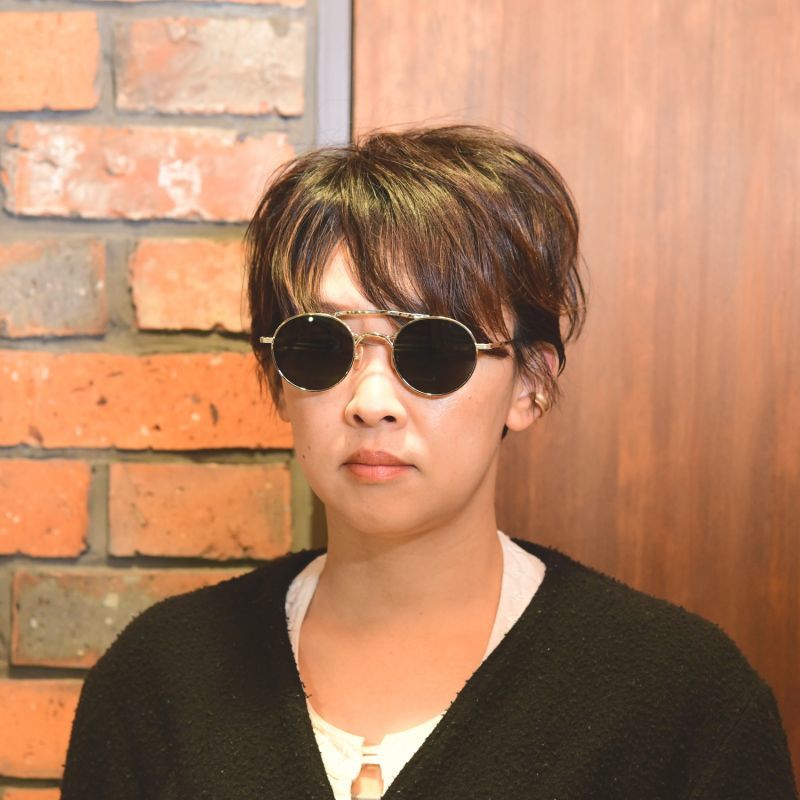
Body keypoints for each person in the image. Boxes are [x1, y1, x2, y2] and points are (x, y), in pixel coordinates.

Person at [60, 125, 797, 799]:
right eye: (322, 346)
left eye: (433, 349)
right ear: (279, 381)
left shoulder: (686, 705)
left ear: (531, 385)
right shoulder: (158, 685)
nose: (371, 401)